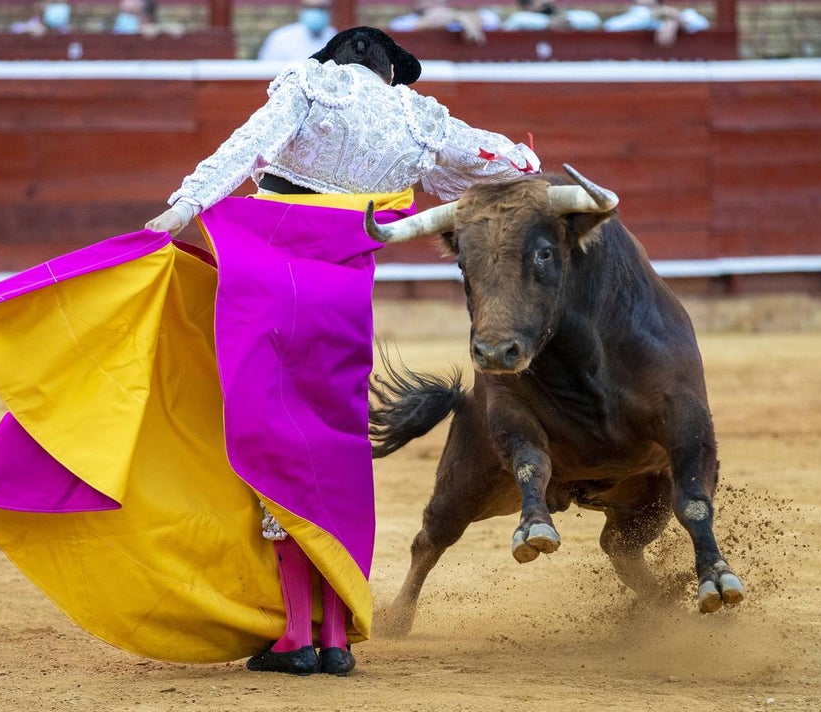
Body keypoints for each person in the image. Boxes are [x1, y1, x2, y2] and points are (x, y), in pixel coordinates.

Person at [144, 27, 540, 675]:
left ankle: (295, 636)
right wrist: (527, 161)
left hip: (267, 274)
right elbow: (496, 162)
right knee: (330, 442)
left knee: (271, 437)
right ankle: (333, 636)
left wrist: (187, 204)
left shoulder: (311, 85)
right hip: (342, 288)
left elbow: (248, 147)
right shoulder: (414, 116)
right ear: (390, 72)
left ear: (335, 61)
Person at [388, 0, 502, 45]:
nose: (431, 3)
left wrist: (462, 17)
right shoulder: (405, 21)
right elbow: (398, 28)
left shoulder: (460, 19)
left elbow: (493, 20)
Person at [256, 0, 338, 62]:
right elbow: (266, 72)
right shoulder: (281, 38)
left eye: (321, 8)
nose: (316, 12)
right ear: (300, 10)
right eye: (310, 8)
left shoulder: (334, 36)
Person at [602, 0, 709, 47]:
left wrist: (675, 20)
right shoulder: (632, 17)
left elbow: (703, 24)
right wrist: (653, 16)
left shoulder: (675, 13)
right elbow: (610, 27)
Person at [501, 0, 601, 31]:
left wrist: (566, 21)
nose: (545, 3)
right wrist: (548, 23)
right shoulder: (520, 18)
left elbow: (594, 20)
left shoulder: (570, 16)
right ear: (527, 7)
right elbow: (507, 27)